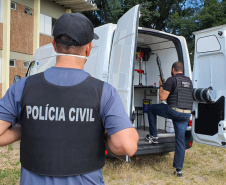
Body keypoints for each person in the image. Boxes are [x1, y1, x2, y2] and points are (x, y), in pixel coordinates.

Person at [0, 13, 139, 185]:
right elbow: (127, 146)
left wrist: (28, 127)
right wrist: (100, 133)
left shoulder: (22, 87)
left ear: (54, 45)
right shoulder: (104, 92)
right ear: (88, 48)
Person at [145, 61, 193, 177]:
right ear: (182, 70)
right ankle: (179, 170)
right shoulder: (188, 81)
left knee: (151, 108)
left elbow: (162, 97)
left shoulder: (172, 80)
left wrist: (162, 85)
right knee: (180, 140)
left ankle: (153, 136)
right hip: (186, 114)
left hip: (174, 112)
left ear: (173, 69)